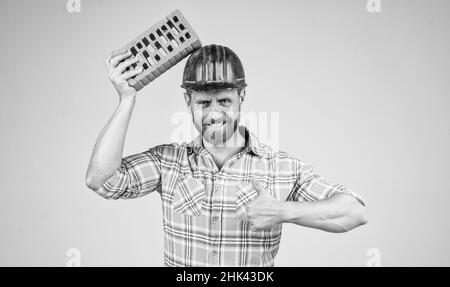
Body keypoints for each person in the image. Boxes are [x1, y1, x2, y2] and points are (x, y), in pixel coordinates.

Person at [85, 44, 368, 267]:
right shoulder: (168, 162)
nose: (215, 114)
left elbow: (354, 212)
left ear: (241, 97)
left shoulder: (280, 167)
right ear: (188, 102)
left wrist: (284, 211)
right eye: (204, 103)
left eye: (225, 101)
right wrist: (126, 98)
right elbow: (102, 181)